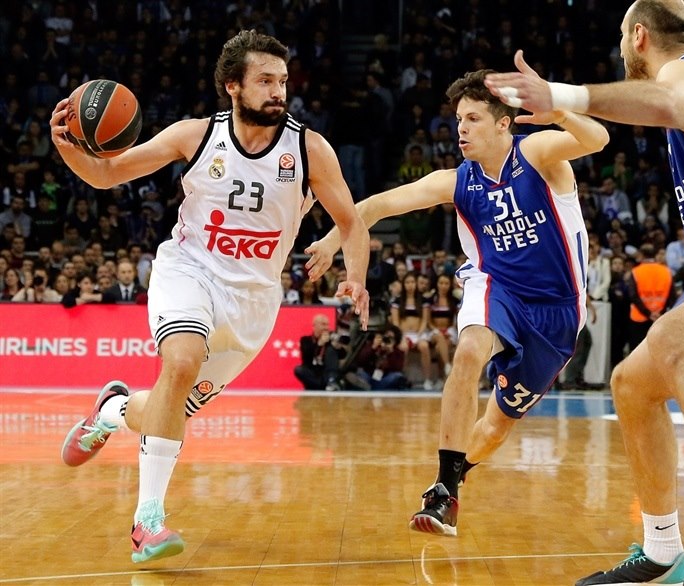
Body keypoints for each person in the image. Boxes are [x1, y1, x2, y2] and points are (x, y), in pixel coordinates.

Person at [485, 2, 684, 584]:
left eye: (621, 37)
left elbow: (671, 104)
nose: (620, 48)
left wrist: (564, 95)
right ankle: (661, 552)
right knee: (631, 383)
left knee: (676, 338)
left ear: (639, 36)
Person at [51, 30, 370, 564]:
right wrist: (67, 148)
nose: (278, 91)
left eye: (282, 81)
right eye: (265, 80)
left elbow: (352, 222)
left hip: (255, 302)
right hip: (191, 272)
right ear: (232, 85)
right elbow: (106, 174)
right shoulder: (194, 136)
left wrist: (355, 274)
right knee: (180, 362)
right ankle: (148, 523)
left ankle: (111, 411)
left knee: (168, 406)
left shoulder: (309, 149)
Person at [307, 68, 608, 536]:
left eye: (473, 119)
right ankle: (443, 491)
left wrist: (561, 113)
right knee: (468, 351)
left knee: (493, 430)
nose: (460, 129)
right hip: (496, 286)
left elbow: (598, 139)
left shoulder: (537, 153)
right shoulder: (456, 181)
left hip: (557, 312)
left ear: (503, 123)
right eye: (458, 120)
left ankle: (457, 471)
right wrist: (330, 242)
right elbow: (375, 207)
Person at [627, 243, 676, 350]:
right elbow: (672, 297)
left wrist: (648, 313)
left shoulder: (636, 272)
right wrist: (660, 312)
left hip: (639, 318)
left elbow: (633, 296)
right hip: (660, 318)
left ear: (641, 255)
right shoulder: (666, 271)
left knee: (637, 352)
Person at [294, 313, 346, 391]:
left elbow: (343, 355)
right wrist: (319, 344)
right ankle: (325, 387)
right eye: (323, 324)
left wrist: (338, 347)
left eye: (327, 325)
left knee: (331, 350)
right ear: (314, 326)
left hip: (327, 373)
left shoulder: (331, 339)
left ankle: (331, 382)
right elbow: (307, 355)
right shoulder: (305, 340)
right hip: (313, 373)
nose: (326, 328)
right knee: (299, 370)